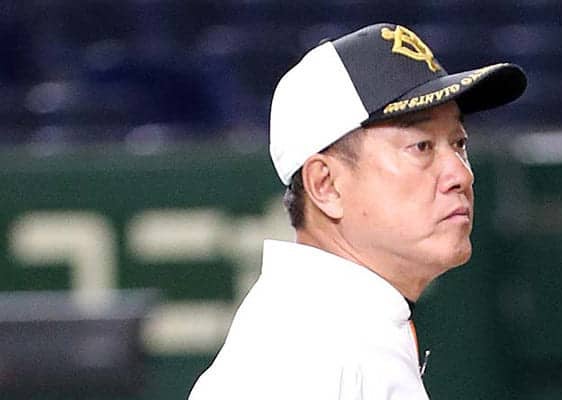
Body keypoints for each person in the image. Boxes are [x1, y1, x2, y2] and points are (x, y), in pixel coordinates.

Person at [188, 23, 526, 399]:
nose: (460, 175)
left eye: (459, 143)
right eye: (421, 146)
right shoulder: (302, 354)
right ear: (326, 185)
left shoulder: (338, 327)